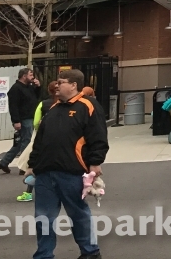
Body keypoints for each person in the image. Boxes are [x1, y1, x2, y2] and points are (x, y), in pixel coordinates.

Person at [27, 68, 109, 259]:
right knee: (43, 218)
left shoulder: (88, 106)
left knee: (78, 215)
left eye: (61, 81)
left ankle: (90, 252)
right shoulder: (53, 109)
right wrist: (32, 165)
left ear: (73, 85)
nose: (57, 85)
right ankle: (44, 255)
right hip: (45, 174)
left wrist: (95, 163)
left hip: (72, 173)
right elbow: (40, 140)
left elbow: (98, 137)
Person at [16, 80, 60, 202]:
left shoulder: (43, 104)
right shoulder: (65, 105)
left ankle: (29, 192)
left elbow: (36, 123)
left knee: (35, 165)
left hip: (42, 139)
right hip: (59, 141)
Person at [0, 67, 41, 174]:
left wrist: (38, 87)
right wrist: (16, 121)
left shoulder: (29, 87)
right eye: (30, 75)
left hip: (31, 116)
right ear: (24, 76)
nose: (32, 77)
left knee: (20, 142)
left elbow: (37, 98)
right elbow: (13, 106)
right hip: (24, 118)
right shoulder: (15, 89)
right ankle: (24, 166)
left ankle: (4, 162)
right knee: (26, 141)